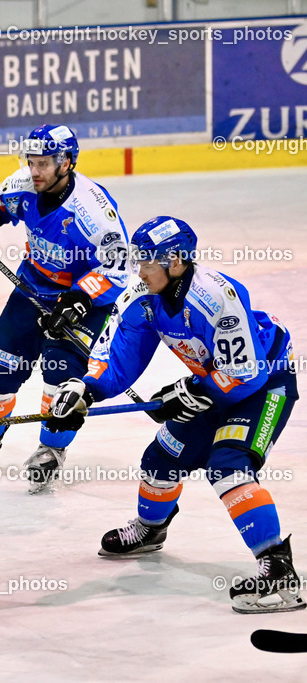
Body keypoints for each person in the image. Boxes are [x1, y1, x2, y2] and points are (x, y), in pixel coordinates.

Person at [47, 216, 303, 614]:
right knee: (161, 458)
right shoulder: (141, 297)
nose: (140, 269)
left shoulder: (218, 296)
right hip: (216, 384)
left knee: (228, 465)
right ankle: (151, 529)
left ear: (178, 261)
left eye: (149, 261)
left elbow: (244, 374)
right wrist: (86, 389)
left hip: (265, 383)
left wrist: (192, 393)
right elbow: (118, 359)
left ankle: (279, 570)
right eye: (138, 259)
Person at [0, 123, 130, 493]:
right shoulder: (25, 184)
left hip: (84, 300)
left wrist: (81, 298)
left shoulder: (93, 212)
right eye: (31, 161)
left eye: (43, 163)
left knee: (60, 380)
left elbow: (118, 268)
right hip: (33, 286)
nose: (35, 170)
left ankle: (51, 449)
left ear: (67, 162)